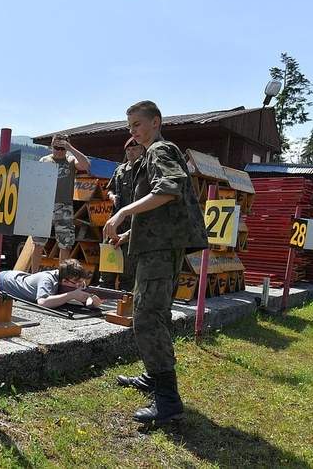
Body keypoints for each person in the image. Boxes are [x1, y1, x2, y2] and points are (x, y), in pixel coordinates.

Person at [103, 100, 208, 425]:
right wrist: (128, 234)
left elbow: (168, 190)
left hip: (161, 250)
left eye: (137, 124)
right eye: (130, 125)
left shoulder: (161, 150)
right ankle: (153, 376)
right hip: (155, 245)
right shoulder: (151, 154)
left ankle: (168, 399)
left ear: (155, 121)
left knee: (147, 315)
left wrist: (122, 212)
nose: (132, 130)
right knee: (155, 313)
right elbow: (160, 211)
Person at [31, 133, 89, 273]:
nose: (59, 151)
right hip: (44, 205)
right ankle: (33, 275)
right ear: (51, 146)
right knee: (38, 242)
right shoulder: (44, 160)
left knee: (65, 244)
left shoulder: (71, 160)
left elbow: (86, 165)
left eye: (62, 148)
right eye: (56, 147)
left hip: (64, 206)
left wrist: (70, 148)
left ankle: (63, 277)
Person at [100, 136, 144, 290]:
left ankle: (125, 291)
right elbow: (109, 189)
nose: (131, 152)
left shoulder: (145, 170)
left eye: (134, 149)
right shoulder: (120, 170)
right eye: (128, 150)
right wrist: (112, 196)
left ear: (141, 150)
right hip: (117, 218)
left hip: (135, 220)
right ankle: (106, 286)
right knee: (108, 248)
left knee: (129, 258)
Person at [0, 258, 101, 310]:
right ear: (64, 281)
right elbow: (42, 302)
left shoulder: (75, 281)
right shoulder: (47, 280)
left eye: (81, 282)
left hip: (19, 277)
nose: (81, 285)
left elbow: (85, 298)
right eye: (77, 283)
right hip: (4, 282)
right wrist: (71, 295)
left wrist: (92, 302)